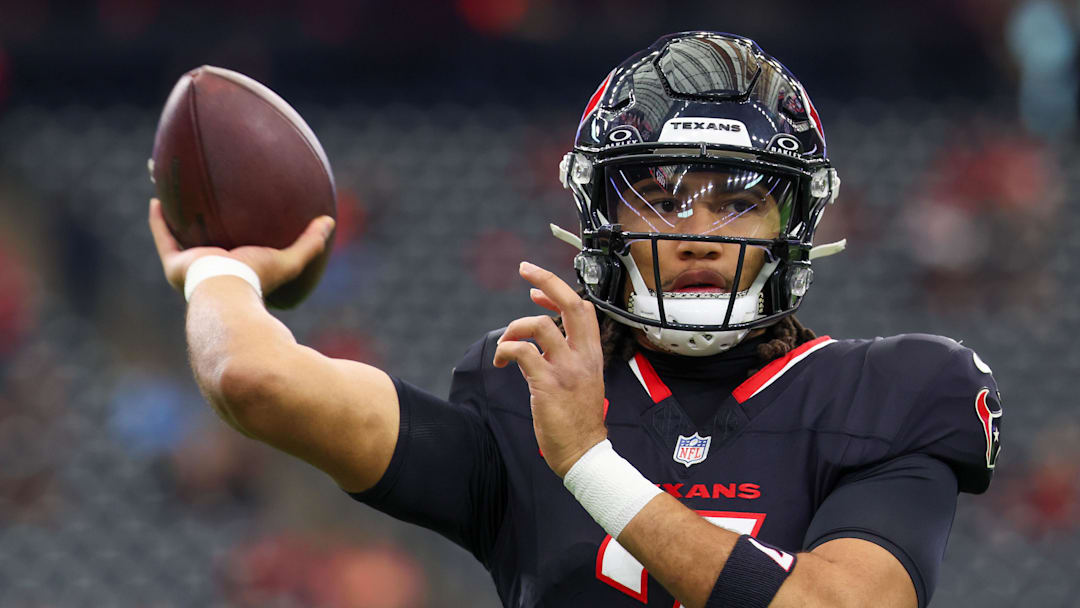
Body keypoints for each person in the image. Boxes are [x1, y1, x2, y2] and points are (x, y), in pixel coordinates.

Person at [149, 32, 1002, 608]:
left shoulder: (894, 390)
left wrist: (590, 464)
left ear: (794, 226)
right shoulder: (524, 392)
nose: (698, 234)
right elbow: (252, 378)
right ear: (601, 222)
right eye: (660, 200)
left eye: (739, 203)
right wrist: (217, 272)